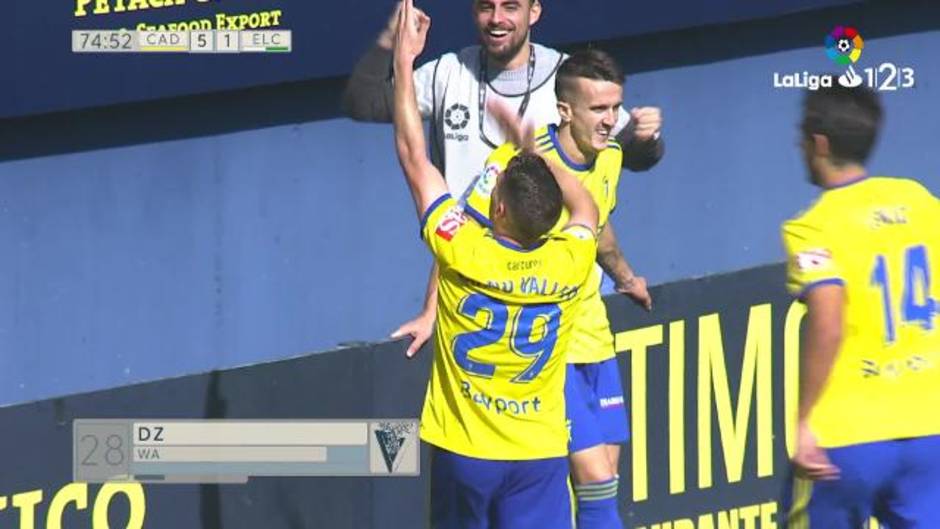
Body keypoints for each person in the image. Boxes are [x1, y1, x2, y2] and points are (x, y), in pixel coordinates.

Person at [392, 2, 600, 527]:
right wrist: (539, 149)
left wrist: (402, 62)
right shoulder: (571, 262)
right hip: (540, 453)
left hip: (467, 453)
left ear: (497, 208)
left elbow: (414, 157)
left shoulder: (463, 249)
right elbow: (586, 208)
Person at [461, 48, 642, 529]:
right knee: (595, 478)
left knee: (605, 479)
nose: (609, 121)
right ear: (565, 110)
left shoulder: (611, 158)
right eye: (597, 110)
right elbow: (460, 235)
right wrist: (429, 310)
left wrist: (625, 276)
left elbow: (597, 225)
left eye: (615, 108)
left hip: (596, 342)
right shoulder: (517, 163)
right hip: (548, 347)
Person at [780, 85, 940, 528]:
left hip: (846, 436)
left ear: (820, 143)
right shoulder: (921, 202)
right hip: (929, 428)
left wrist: (804, 419)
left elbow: (828, 320)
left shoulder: (812, 226)